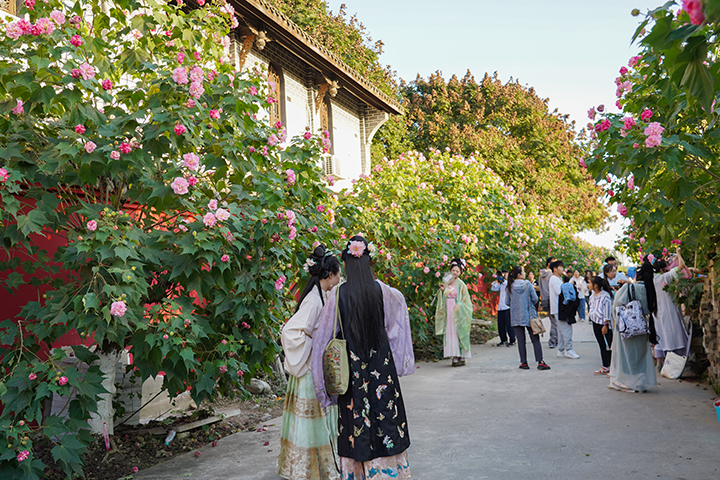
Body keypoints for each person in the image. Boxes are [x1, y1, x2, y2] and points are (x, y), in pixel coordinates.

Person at [311, 236, 414, 480]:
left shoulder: (338, 295)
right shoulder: (385, 292)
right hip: (383, 371)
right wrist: (399, 364)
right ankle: (389, 473)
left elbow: (322, 342)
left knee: (356, 425)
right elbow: (398, 330)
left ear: (345, 263)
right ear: (369, 261)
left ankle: (359, 475)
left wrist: (323, 387)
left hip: (352, 375)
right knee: (386, 419)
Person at [278, 245, 342, 480]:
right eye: (338, 273)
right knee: (310, 424)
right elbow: (291, 332)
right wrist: (314, 348)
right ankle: (307, 470)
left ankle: (311, 468)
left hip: (310, 367)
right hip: (308, 371)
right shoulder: (315, 301)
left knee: (313, 422)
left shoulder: (319, 295)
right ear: (329, 274)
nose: (339, 277)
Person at [608, 261, 657, 393]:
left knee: (626, 356)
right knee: (640, 356)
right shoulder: (651, 290)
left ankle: (627, 383)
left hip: (627, 327)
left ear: (638, 276)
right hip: (642, 327)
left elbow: (616, 306)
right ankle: (640, 383)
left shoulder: (628, 288)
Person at [652, 248, 692, 365]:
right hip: (670, 310)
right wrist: (678, 253)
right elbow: (681, 266)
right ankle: (675, 363)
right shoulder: (666, 277)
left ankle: (661, 363)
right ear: (661, 269)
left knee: (662, 335)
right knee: (674, 335)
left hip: (658, 312)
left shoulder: (654, 279)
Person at [507, 266, 550, 370]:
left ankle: (524, 363)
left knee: (521, 340)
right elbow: (535, 299)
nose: (525, 274)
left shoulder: (510, 286)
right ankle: (540, 362)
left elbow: (506, 302)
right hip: (529, 316)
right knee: (535, 339)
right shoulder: (527, 285)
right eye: (523, 272)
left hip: (516, 317)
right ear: (519, 275)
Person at [434, 258, 474, 366]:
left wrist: (460, 306)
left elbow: (466, 301)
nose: (455, 273)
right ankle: (454, 355)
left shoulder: (461, 284)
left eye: (457, 271)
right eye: (453, 270)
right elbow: (444, 295)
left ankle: (461, 355)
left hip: (458, 311)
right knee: (450, 332)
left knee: (458, 332)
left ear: (461, 272)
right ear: (450, 270)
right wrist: (442, 290)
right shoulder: (447, 281)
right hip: (448, 310)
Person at [588, 276, 613, 375]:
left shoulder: (605, 296)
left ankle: (614, 366)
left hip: (604, 324)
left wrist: (606, 324)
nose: (588, 285)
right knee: (601, 345)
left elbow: (607, 310)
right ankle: (605, 366)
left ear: (595, 285)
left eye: (590, 283)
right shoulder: (592, 295)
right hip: (595, 323)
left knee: (610, 345)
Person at [557, 269, 580, 359]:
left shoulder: (557, 282)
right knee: (567, 331)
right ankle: (568, 350)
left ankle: (561, 350)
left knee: (561, 331)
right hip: (565, 312)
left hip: (559, 309)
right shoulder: (567, 287)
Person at [491, 270, 515, 347]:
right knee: (500, 325)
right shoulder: (501, 284)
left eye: (505, 274)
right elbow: (493, 288)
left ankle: (512, 339)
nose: (503, 275)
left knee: (509, 325)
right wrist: (497, 280)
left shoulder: (509, 283)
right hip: (500, 307)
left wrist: (504, 280)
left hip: (507, 307)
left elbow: (507, 284)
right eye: (503, 274)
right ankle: (503, 339)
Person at [539, 256, 557, 348]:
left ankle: (554, 340)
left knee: (552, 320)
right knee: (555, 321)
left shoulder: (541, 275)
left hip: (545, 300)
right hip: (552, 300)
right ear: (549, 264)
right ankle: (553, 341)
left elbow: (540, 288)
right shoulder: (551, 275)